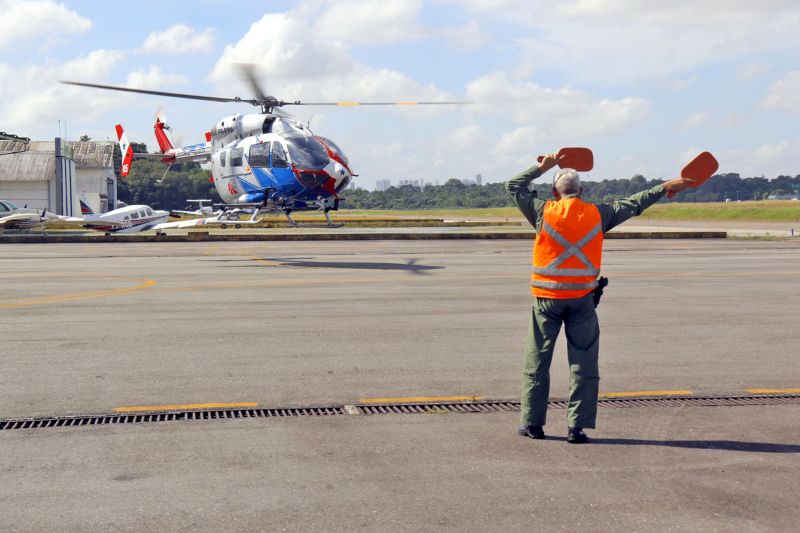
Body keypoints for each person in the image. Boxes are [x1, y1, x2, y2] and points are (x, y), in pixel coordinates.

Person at [505, 152, 694, 443]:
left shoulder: (544, 211)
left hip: (546, 300)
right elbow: (634, 203)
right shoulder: (598, 214)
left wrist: (543, 167)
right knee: (583, 363)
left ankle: (532, 424)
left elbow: (513, 187)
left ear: (555, 192)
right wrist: (664, 186)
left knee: (537, 362)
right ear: (581, 191)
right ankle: (576, 428)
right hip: (582, 301)